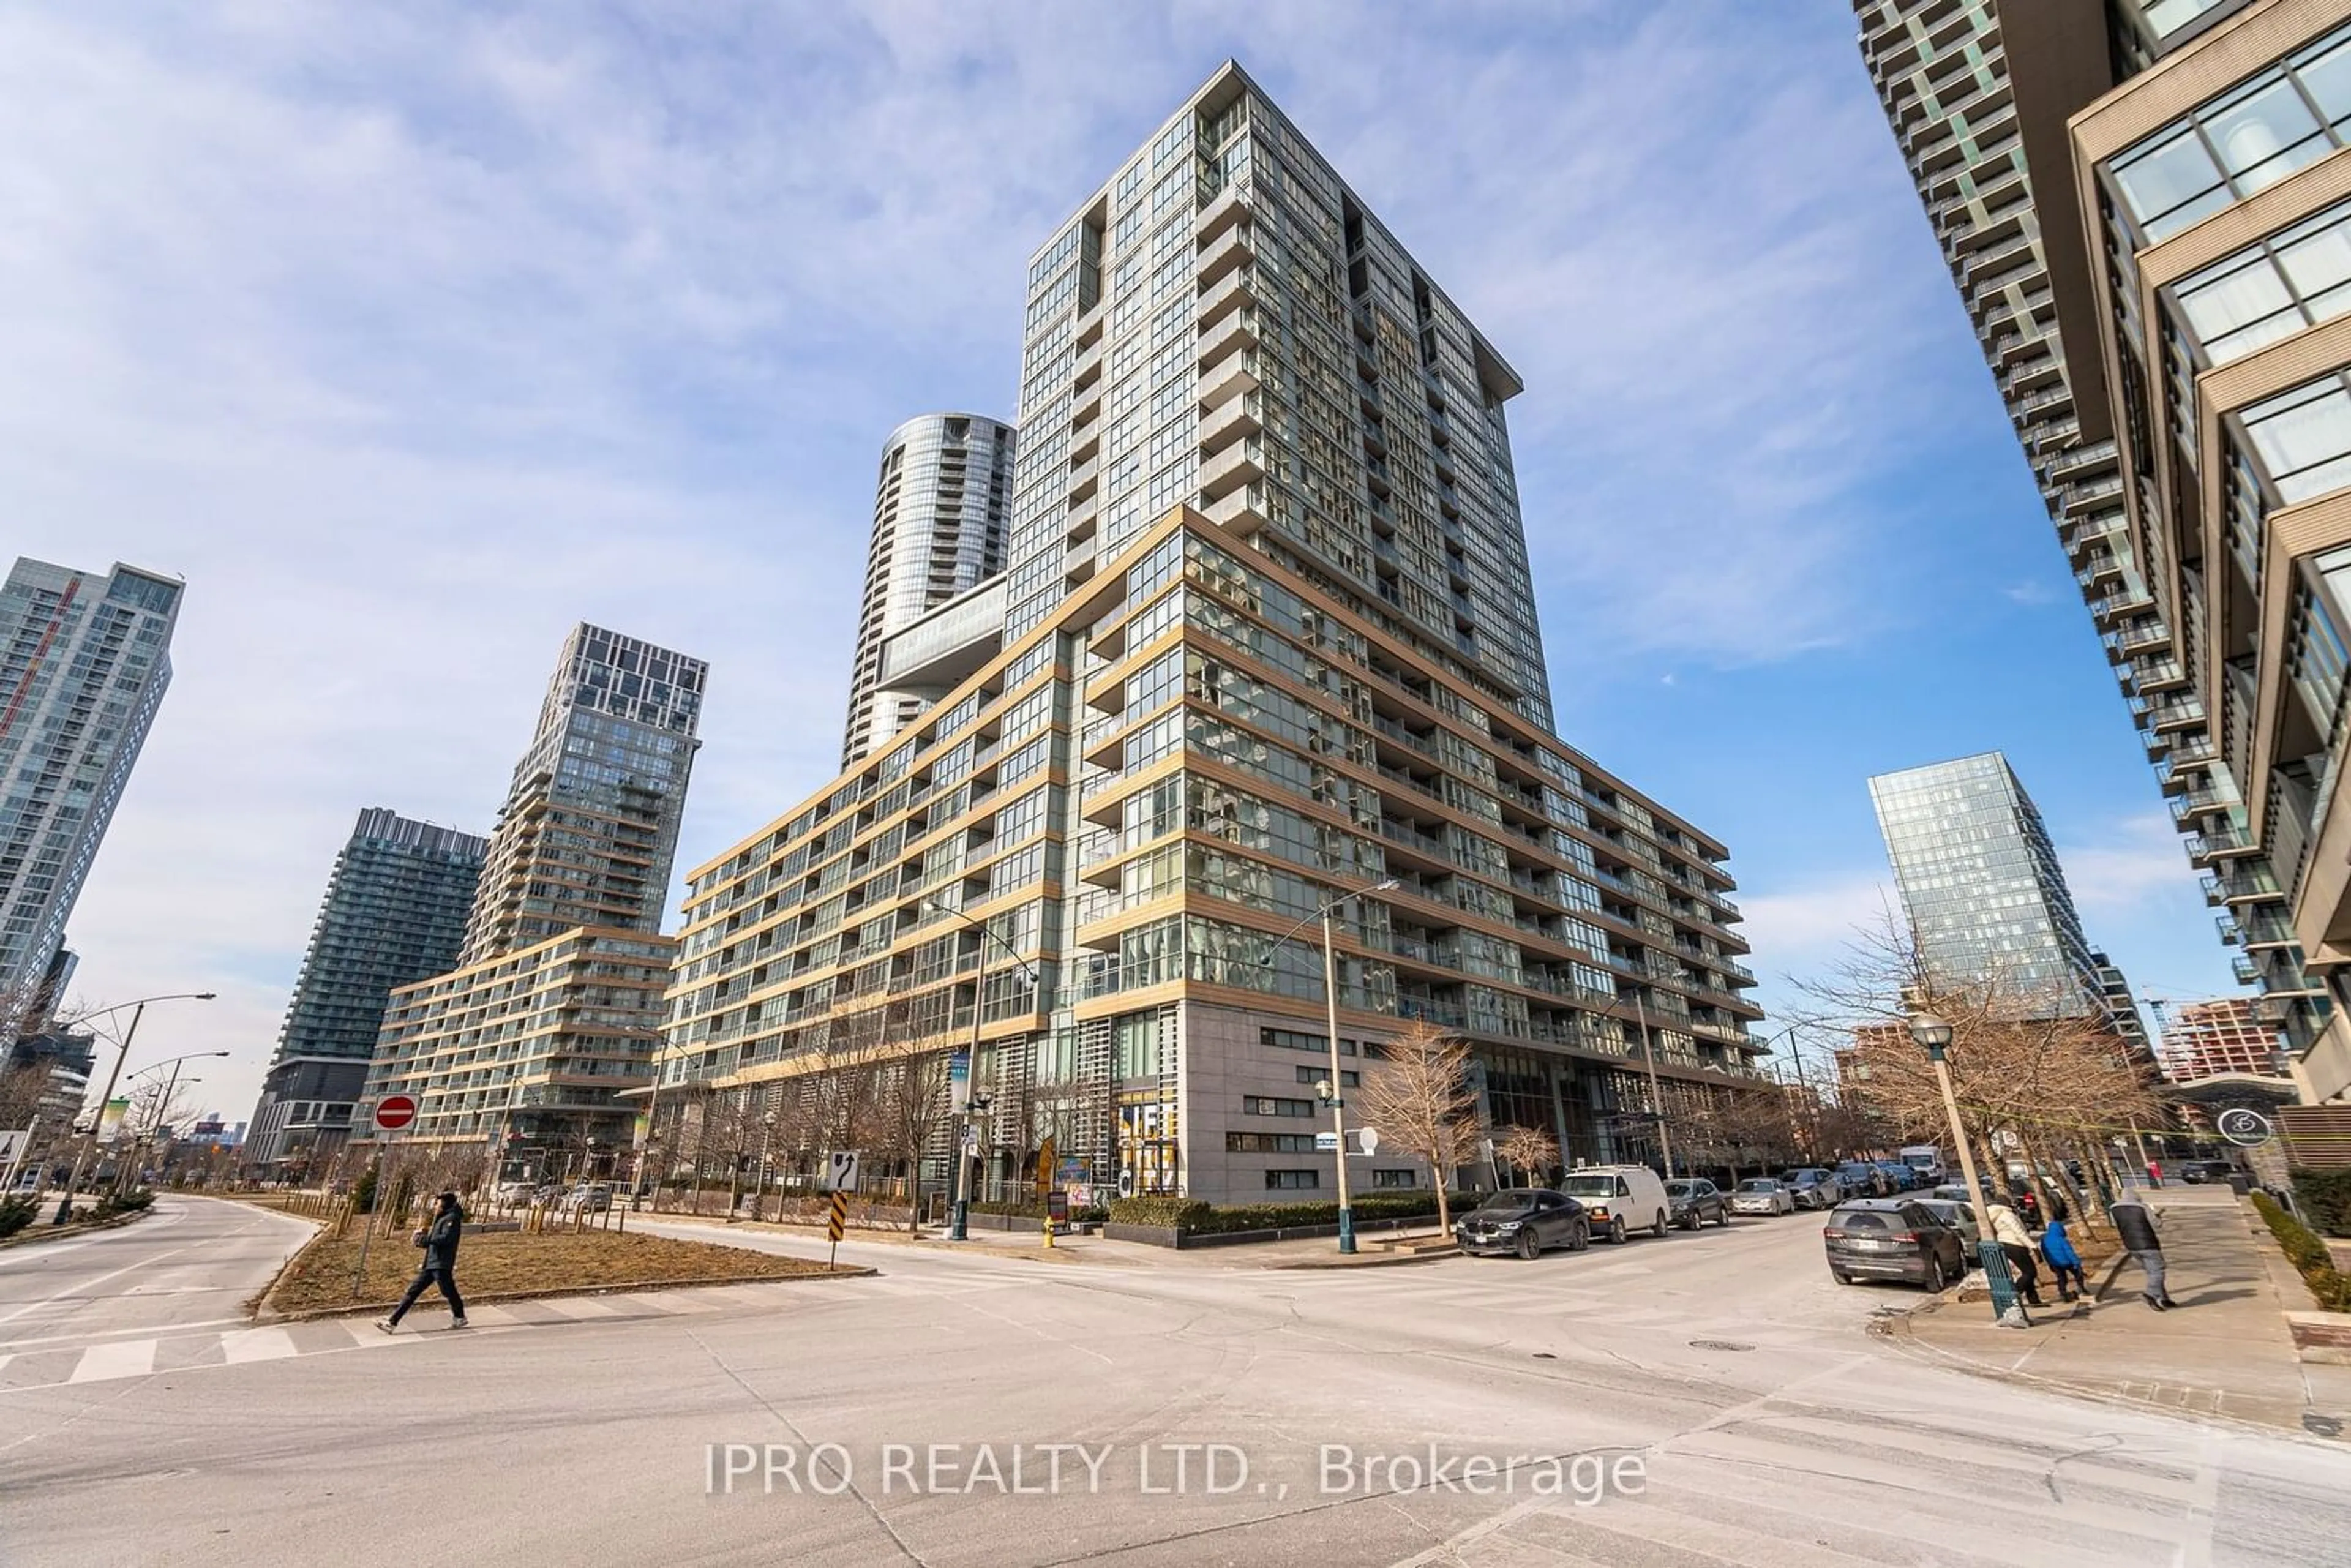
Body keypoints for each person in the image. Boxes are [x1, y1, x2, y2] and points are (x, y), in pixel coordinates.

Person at [378, 1191, 468, 1332]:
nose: (435, 1206)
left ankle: (460, 1316)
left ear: (445, 1204)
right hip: (432, 1263)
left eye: (437, 1203)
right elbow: (434, 1240)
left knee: (449, 1291)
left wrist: (427, 1239)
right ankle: (392, 1322)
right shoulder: (442, 1218)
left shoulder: (452, 1219)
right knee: (413, 1291)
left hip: (441, 1264)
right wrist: (421, 1241)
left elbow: (445, 1239)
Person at [2111, 1185, 2175, 1310]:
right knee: (2157, 1271)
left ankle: (2163, 1299)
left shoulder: (2113, 1208)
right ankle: (2150, 1294)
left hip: (2131, 1245)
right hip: (2148, 1244)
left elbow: (2114, 1224)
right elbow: (2157, 1224)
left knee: (2151, 1272)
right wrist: (2157, 1217)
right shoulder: (2142, 1207)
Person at [1985, 1201, 2045, 1307]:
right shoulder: (2008, 1215)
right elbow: (2019, 1233)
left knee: (2026, 1272)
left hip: (2006, 1244)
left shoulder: (1996, 1215)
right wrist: (2033, 1247)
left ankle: (2034, 1299)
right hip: (2016, 1245)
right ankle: (2014, 1295)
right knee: (2030, 1273)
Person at [2041, 1213, 2087, 1302]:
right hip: (2067, 1262)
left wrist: (2050, 1263)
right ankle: (2082, 1288)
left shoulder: (2044, 1240)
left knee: (2062, 1278)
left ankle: (2062, 1292)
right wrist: (2077, 1263)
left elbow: (2045, 1252)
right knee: (2078, 1274)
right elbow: (2070, 1253)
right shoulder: (2062, 1240)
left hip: (2055, 1263)